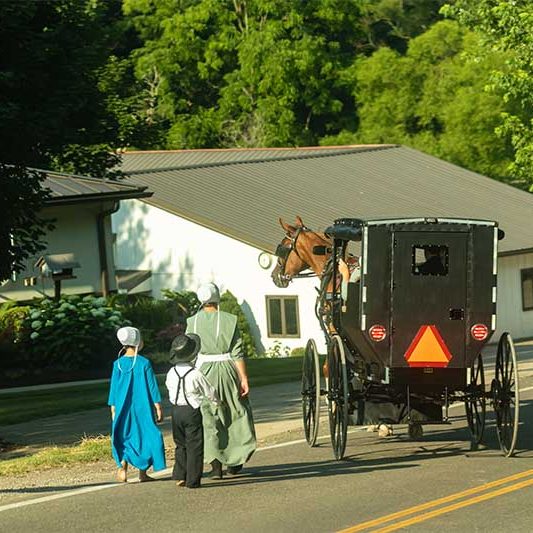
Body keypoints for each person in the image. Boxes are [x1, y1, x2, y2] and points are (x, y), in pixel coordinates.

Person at [186, 282, 256, 479]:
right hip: (226, 370)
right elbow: (237, 351)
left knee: (208, 417)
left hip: (202, 372)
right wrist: (243, 378)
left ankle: (215, 465)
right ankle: (235, 460)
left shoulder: (192, 322)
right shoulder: (229, 320)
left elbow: (189, 351)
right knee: (235, 412)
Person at [108, 326, 166, 483]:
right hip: (143, 407)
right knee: (146, 435)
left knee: (125, 435)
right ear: (138, 342)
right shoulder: (144, 363)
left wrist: (113, 406)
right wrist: (158, 406)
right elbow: (152, 386)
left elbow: (113, 387)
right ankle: (142, 472)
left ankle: (122, 468)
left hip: (122, 406)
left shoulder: (117, 364)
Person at [165, 333, 220, 489]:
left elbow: (170, 390)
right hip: (191, 410)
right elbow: (209, 391)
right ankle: (193, 479)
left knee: (180, 444)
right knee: (194, 445)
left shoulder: (171, 373)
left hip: (175, 410)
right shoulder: (196, 374)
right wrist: (217, 402)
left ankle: (179, 475)